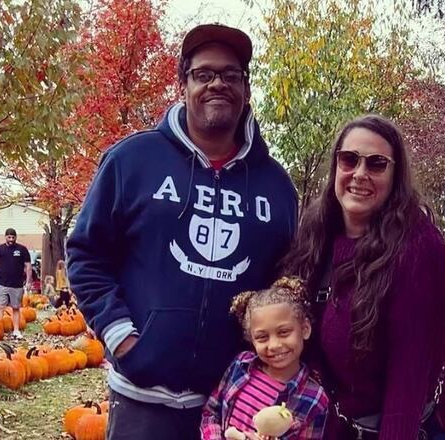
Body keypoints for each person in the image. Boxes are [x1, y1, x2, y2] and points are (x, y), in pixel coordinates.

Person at [66, 23, 298, 440]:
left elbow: (284, 283)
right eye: (204, 74)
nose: (218, 84)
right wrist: (123, 339)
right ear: (182, 84)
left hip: (235, 403)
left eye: (231, 75)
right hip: (141, 400)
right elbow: (86, 254)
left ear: (246, 88)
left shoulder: (276, 186)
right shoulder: (131, 161)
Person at [282, 115, 445, 439]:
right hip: (343, 422)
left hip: (408, 424)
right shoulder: (317, 233)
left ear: (396, 175)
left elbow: (410, 374)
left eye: (377, 164)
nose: (360, 174)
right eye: (349, 159)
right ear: (336, 166)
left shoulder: (419, 248)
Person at [201, 277, 328, 440]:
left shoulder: (315, 399)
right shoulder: (240, 365)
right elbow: (211, 413)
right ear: (251, 339)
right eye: (262, 337)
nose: (274, 345)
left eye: (284, 332)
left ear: (305, 329)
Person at [0, 228, 32, 339]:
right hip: (2, 284)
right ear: (5, 237)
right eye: (9, 237)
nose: (11, 239)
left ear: (16, 237)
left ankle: (16, 330)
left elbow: (28, 266)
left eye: (13, 237)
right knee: (0, 307)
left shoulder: (22, 249)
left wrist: (28, 281)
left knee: (16, 308)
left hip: (17, 285)